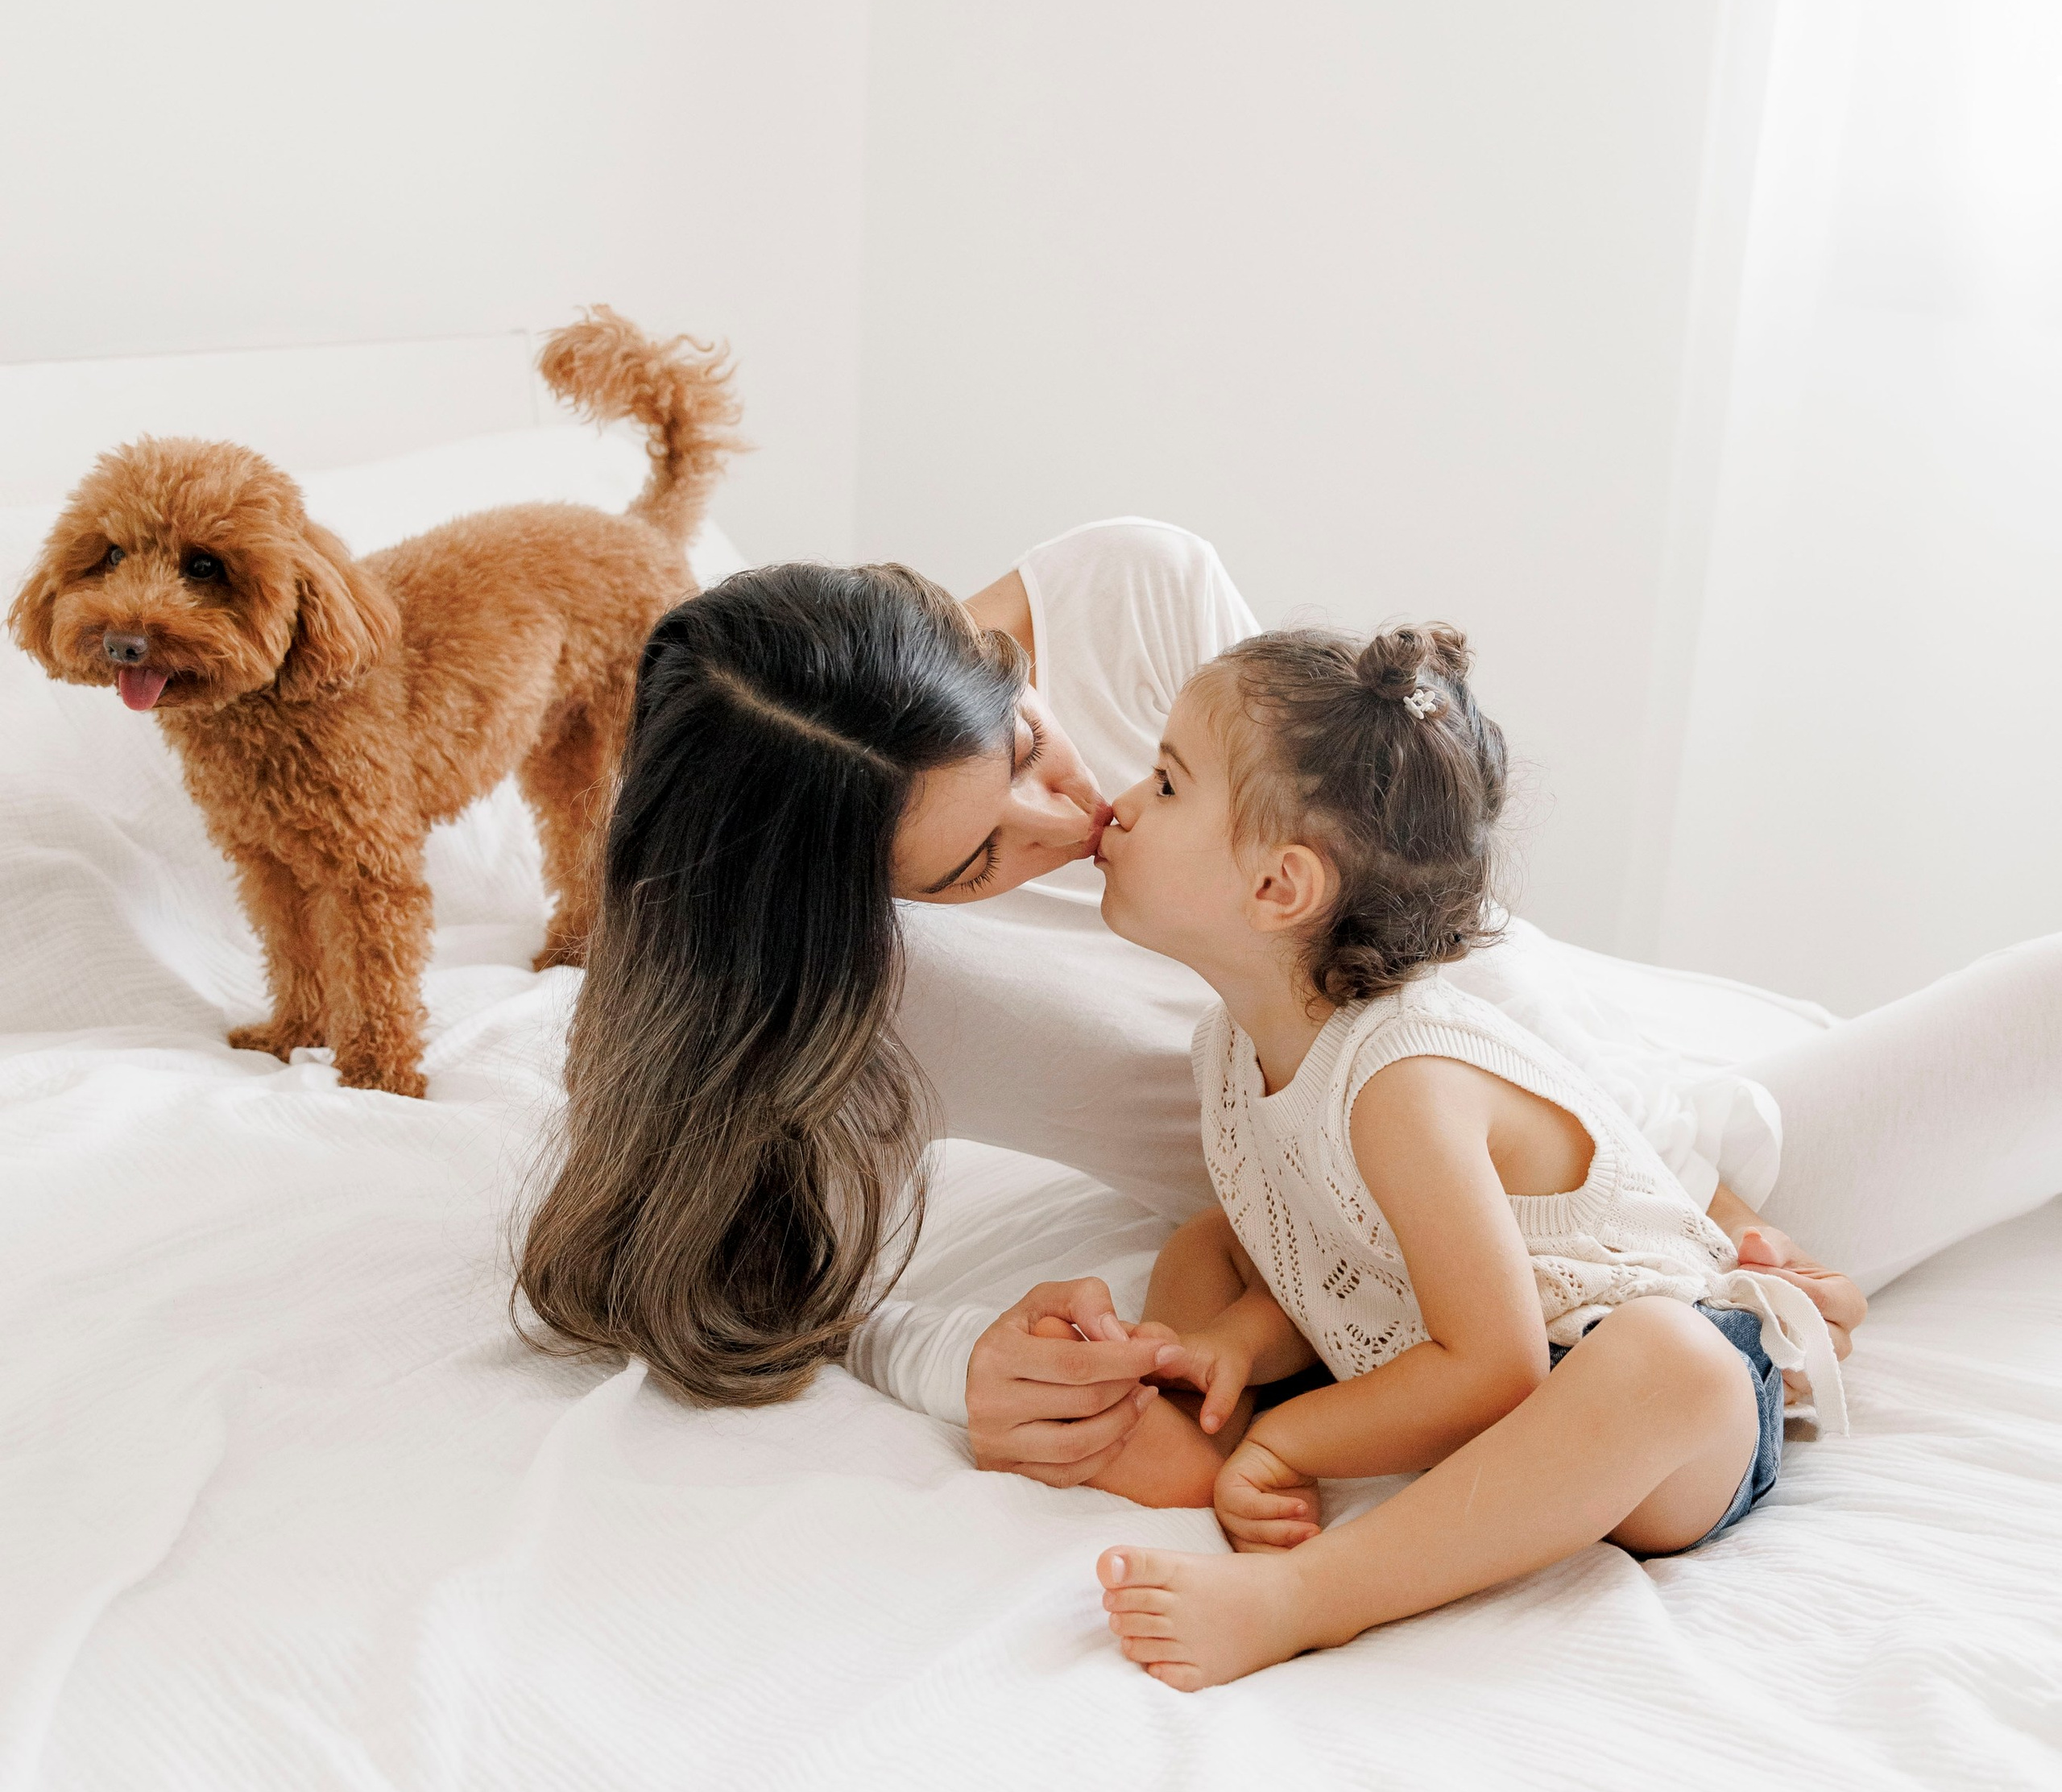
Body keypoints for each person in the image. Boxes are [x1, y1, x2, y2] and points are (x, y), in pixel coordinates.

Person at [516, 524, 2062, 1447]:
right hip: (1502, 1249)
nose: (1076, 823)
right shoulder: (843, 982)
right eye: (978, 862)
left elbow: (1428, 952)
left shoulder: (1135, 598)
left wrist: (1711, 1223)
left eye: (1028, 748)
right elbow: (709, 1276)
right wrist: (939, 1358)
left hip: (1656, 1150)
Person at [1079, 619, 1859, 1686]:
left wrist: (1296, 1439)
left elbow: (1495, 1369)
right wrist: (1241, 1348)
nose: (1121, 802)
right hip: (1472, 1367)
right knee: (1210, 1246)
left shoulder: (1402, 1082)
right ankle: (1207, 1416)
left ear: (1279, 889)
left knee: (1672, 1363)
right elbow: (1329, 1251)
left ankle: (1309, 1597)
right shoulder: (1230, 1048)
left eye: (1166, 785)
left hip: (1635, 1406)